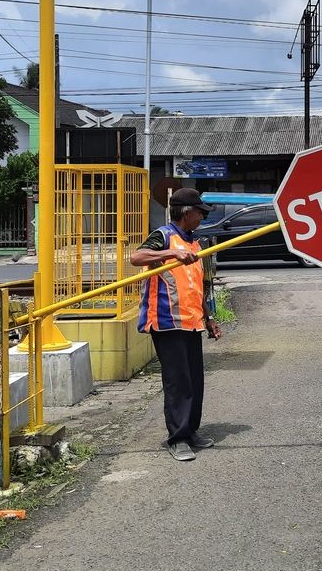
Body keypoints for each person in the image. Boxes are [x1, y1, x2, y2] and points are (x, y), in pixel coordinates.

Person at [130, 188, 223, 461]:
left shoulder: (194, 243)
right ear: (186, 213)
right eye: (200, 213)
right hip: (167, 322)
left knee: (195, 380)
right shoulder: (164, 236)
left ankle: (191, 431)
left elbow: (197, 287)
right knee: (178, 381)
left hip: (192, 321)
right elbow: (136, 258)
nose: (202, 218)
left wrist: (209, 318)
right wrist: (170, 253)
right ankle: (178, 437)